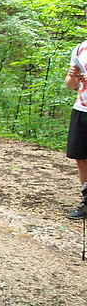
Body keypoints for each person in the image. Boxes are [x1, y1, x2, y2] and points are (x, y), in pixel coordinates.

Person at [64, 39, 87, 220]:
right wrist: (73, 75)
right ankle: (86, 203)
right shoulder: (80, 48)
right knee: (81, 158)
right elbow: (70, 84)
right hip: (82, 109)